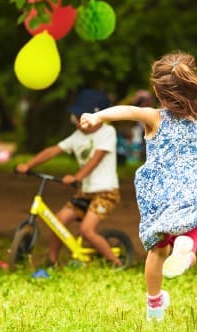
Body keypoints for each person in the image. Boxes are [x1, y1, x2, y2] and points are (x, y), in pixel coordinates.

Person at [80, 51, 197, 322]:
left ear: (156, 89)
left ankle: (154, 306)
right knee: (192, 227)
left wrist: (98, 118)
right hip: (188, 189)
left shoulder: (154, 117)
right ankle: (186, 251)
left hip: (157, 195)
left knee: (157, 251)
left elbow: (127, 111)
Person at [14, 88, 123, 268]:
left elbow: (96, 159)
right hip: (85, 191)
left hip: (106, 192)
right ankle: (52, 262)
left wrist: (76, 177)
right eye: (77, 117)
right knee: (58, 223)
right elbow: (53, 150)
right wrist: (29, 165)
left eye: (83, 116)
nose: (80, 122)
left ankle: (116, 263)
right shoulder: (77, 136)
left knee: (87, 230)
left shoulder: (107, 132)